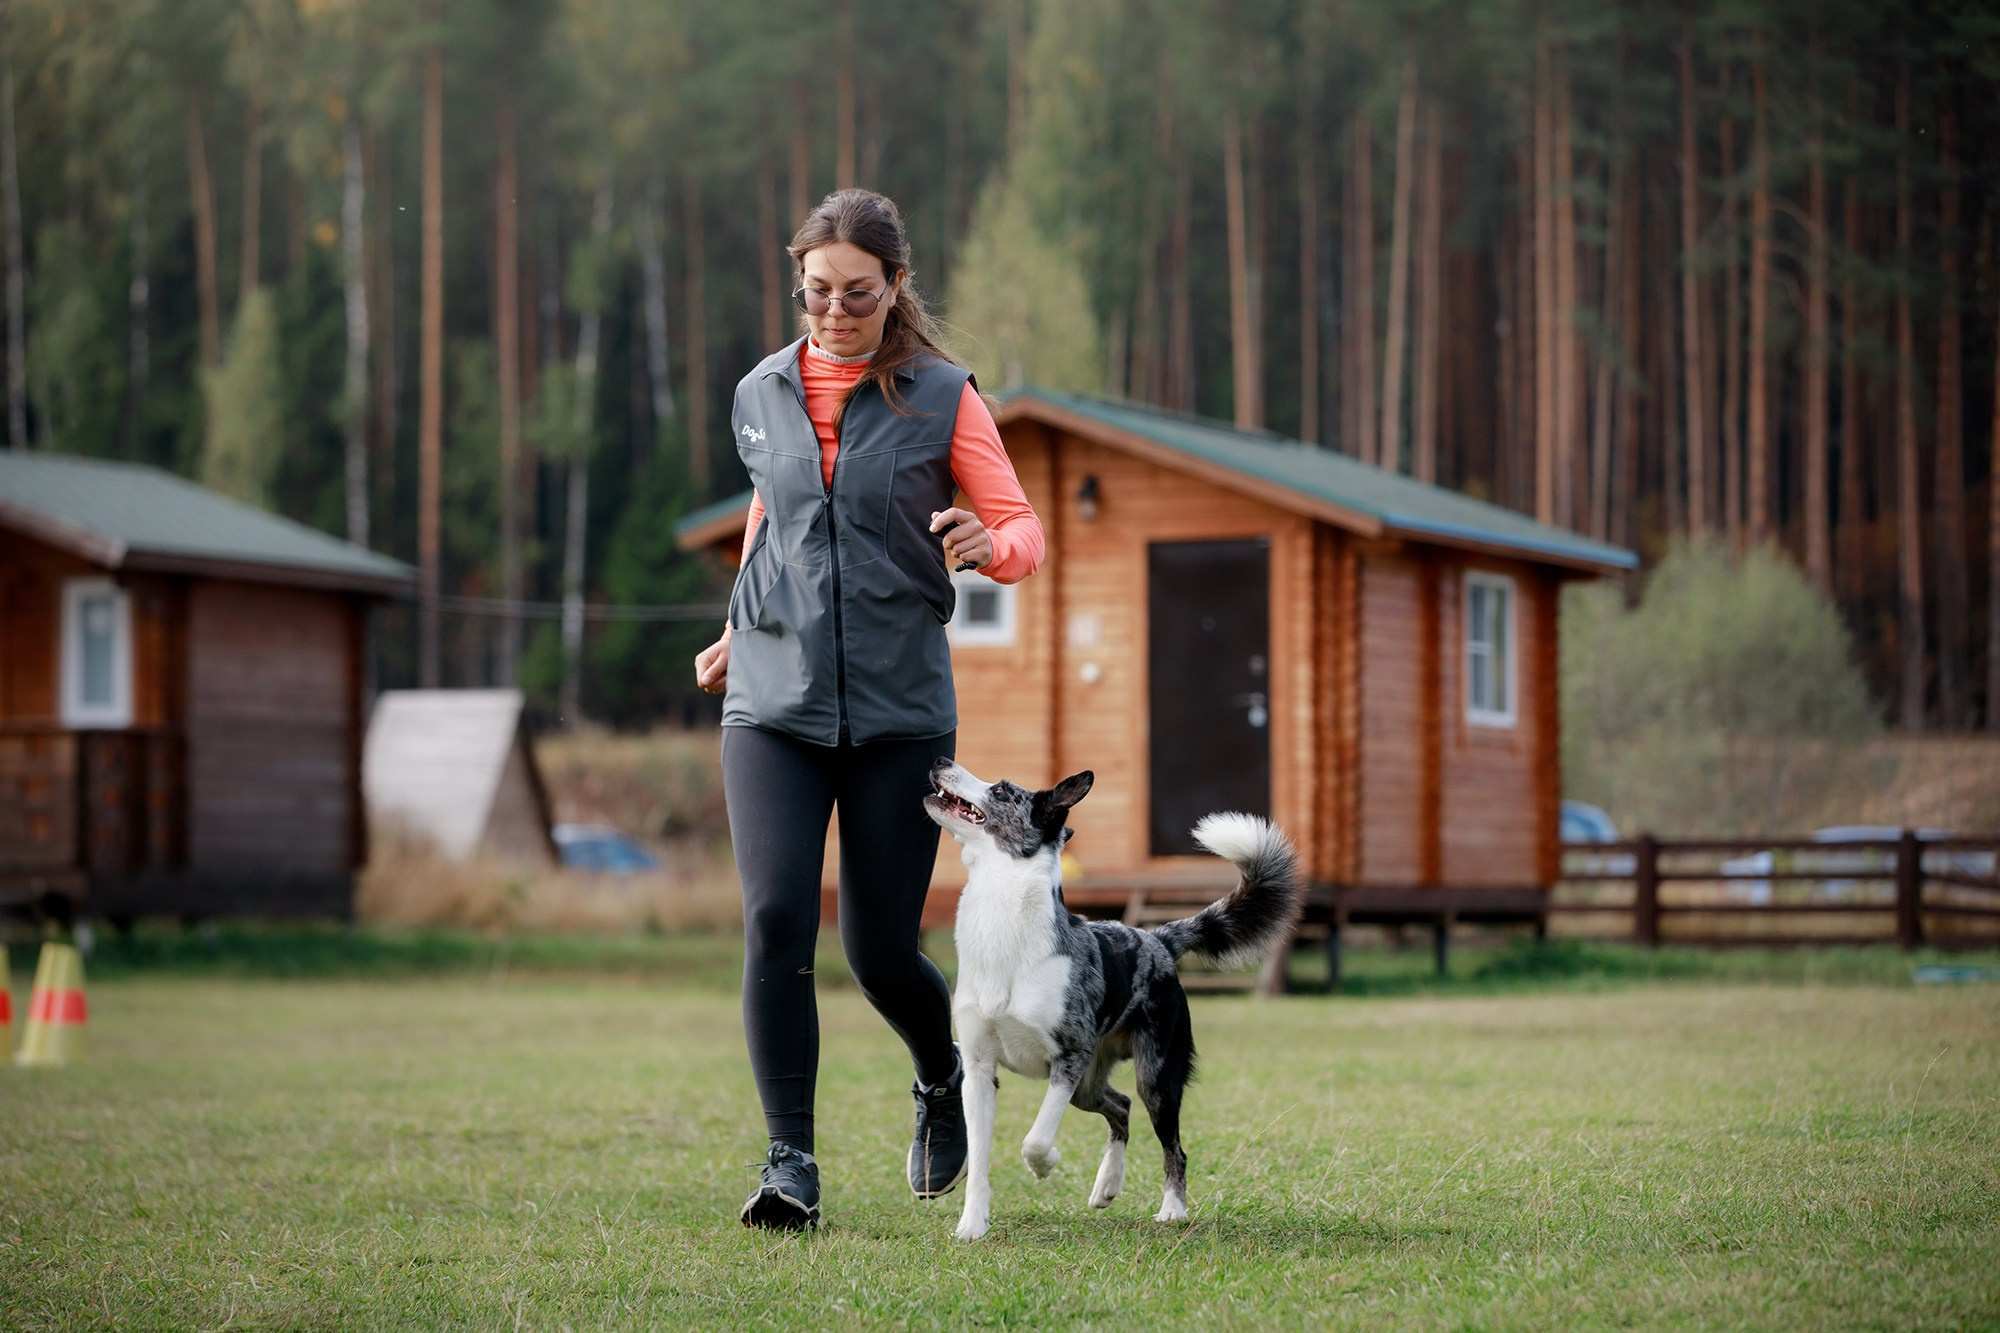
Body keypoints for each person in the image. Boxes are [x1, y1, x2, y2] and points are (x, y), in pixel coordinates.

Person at [694, 189, 1045, 1231]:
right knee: (772, 920)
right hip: (772, 697)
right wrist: (733, 624)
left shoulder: (940, 396)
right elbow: (771, 513)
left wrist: (990, 548)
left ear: (894, 287)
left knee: (881, 948)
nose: (834, 314)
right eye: (816, 294)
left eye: (856, 294)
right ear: (796, 286)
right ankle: (788, 1159)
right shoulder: (761, 391)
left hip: (897, 710)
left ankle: (940, 1074)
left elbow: (1020, 525)